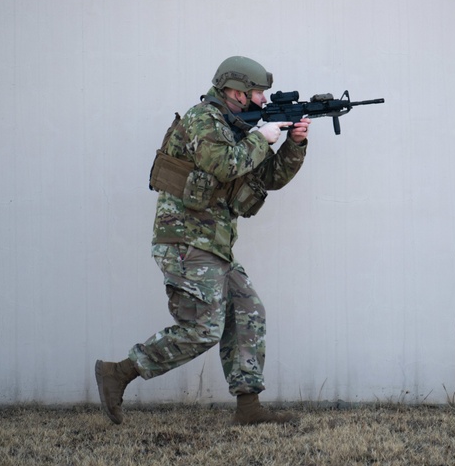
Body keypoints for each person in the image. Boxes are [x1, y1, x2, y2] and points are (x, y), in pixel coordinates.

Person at [95, 56, 310, 425]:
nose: (262, 99)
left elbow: (269, 177)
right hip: (184, 240)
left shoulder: (239, 128)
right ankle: (119, 372)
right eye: (257, 92)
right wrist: (261, 137)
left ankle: (249, 408)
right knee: (202, 329)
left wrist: (294, 143)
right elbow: (223, 165)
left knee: (247, 312)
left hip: (213, 243)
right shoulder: (203, 119)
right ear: (235, 90)